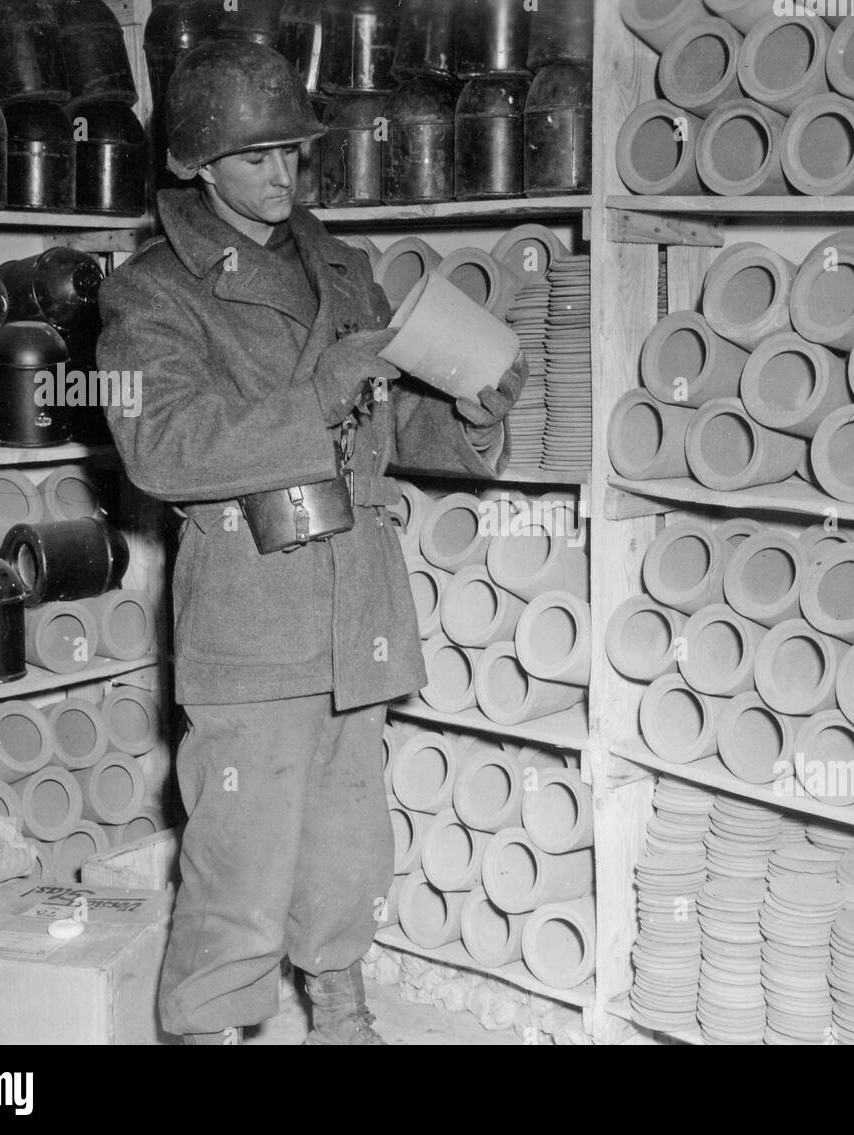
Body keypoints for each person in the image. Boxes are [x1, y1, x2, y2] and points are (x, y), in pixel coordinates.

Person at [96, 38, 525, 1045]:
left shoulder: (346, 271)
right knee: (240, 854)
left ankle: (339, 1004)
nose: (283, 176)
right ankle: (210, 1026)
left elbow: (385, 431)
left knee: (346, 839)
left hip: (356, 600)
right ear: (198, 165)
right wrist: (311, 397)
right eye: (257, 157)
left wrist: (470, 409)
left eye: (293, 151)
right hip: (253, 603)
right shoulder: (151, 291)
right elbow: (158, 445)